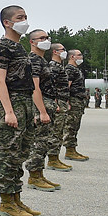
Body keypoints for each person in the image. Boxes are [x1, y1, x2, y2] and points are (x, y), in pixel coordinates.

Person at [0, 5, 40, 216]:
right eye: (20, 17)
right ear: (7, 23)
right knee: (9, 155)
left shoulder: (19, 48)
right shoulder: (3, 47)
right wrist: (9, 112)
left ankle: (16, 197)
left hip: (25, 101)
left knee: (20, 153)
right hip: (12, 102)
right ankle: (6, 202)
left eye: (26, 17)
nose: (25, 21)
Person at [23, 30, 62, 192]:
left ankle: (39, 173)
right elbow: (35, 88)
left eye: (48, 38)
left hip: (47, 102)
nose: (46, 40)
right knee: (39, 141)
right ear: (32, 42)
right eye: (42, 38)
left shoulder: (41, 60)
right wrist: (42, 111)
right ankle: (34, 175)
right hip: (41, 104)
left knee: (44, 141)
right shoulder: (33, 60)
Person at [46, 43, 73, 173]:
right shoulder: (53, 67)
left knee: (60, 131)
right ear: (55, 52)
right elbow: (51, 86)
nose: (65, 52)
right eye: (63, 49)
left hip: (62, 101)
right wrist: (55, 103)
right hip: (57, 103)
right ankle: (52, 159)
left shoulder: (59, 67)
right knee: (55, 132)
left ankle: (55, 157)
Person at [63, 49, 89, 161]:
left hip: (78, 101)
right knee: (71, 126)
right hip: (73, 101)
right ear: (72, 57)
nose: (81, 57)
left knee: (75, 125)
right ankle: (69, 150)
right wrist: (67, 102)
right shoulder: (69, 69)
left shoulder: (76, 69)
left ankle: (72, 149)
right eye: (79, 55)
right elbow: (66, 87)